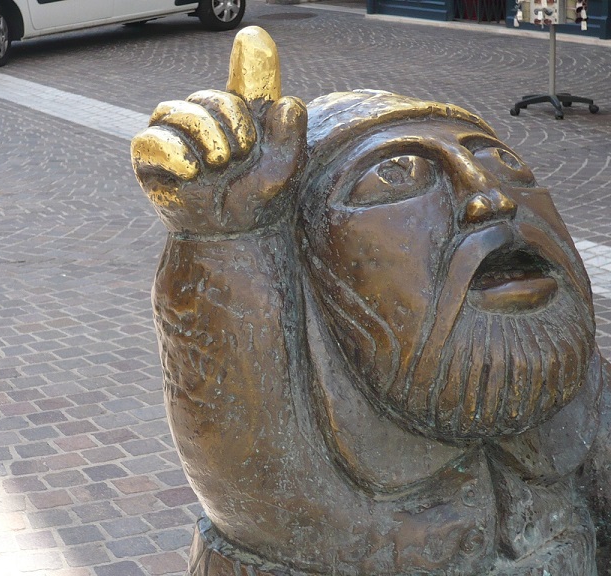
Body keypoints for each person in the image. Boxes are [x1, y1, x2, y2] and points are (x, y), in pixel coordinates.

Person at [131, 26, 611, 575]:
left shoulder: (581, 412)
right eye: (396, 175)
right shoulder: (309, 488)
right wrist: (224, 241)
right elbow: (256, 471)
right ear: (310, 266)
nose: (491, 196)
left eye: (505, 162)